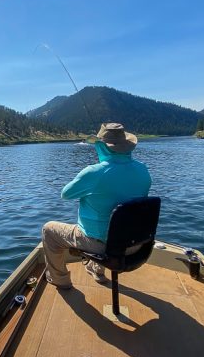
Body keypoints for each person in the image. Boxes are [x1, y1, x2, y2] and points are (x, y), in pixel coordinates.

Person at [42, 123, 152, 289]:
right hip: (136, 244)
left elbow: (65, 194)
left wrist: (88, 176)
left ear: (102, 147)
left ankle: (60, 279)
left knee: (49, 230)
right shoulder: (143, 170)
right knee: (109, 224)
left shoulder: (93, 172)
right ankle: (97, 270)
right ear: (127, 146)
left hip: (103, 247)